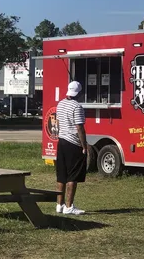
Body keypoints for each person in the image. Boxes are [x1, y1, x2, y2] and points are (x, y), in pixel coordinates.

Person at [55, 81, 87, 215]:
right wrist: (84, 146)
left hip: (61, 142)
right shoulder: (77, 106)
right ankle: (69, 206)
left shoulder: (60, 104)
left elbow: (57, 122)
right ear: (78, 93)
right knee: (72, 176)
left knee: (61, 175)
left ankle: (59, 204)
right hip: (73, 143)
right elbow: (79, 127)